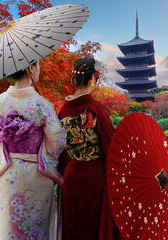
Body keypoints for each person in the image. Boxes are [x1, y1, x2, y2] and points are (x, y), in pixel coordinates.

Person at [0, 62, 67, 240]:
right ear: (30, 67)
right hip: (38, 172)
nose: (39, 70)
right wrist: (45, 157)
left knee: (11, 226)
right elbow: (57, 141)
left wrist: (3, 157)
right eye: (38, 66)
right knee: (37, 227)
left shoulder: (0, 101)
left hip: (10, 171)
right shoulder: (42, 104)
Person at [57, 55, 120, 240]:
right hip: (94, 179)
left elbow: (59, 149)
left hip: (70, 174)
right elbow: (111, 147)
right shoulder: (96, 108)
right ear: (92, 78)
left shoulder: (62, 110)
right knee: (92, 229)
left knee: (72, 226)